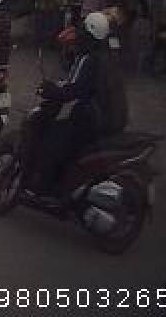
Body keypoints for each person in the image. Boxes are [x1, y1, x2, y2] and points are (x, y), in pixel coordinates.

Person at [28, 10, 111, 195]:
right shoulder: (97, 57)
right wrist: (57, 87)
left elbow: (74, 90)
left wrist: (52, 91)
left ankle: (44, 188)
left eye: (83, 31)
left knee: (52, 140)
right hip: (96, 115)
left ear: (89, 36)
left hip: (87, 117)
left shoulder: (88, 59)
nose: (79, 35)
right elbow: (73, 83)